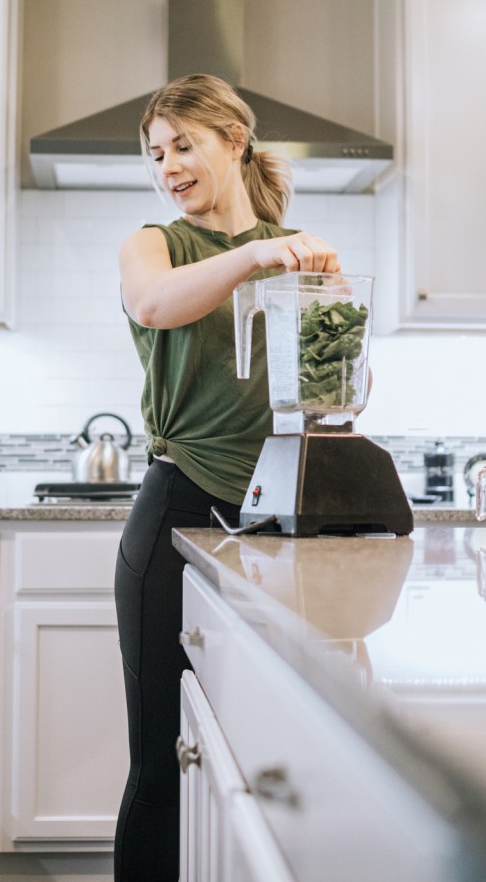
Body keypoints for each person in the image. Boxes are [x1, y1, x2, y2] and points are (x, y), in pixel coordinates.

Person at [113, 73, 342, 881]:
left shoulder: (296, 254)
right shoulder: (157, 243)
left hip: (278, 523)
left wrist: (341, 335)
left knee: (262, 763)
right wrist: (258, 253)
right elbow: (153, 304)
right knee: (160, 765)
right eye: (156, 153)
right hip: (178, 516)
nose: (167, 166)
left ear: (234, 141)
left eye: (183, 145)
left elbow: (332, 390)